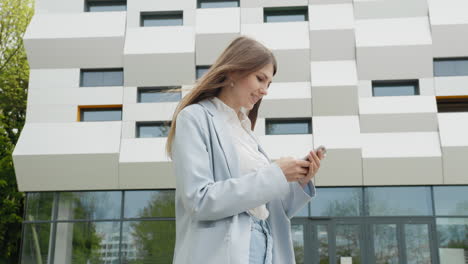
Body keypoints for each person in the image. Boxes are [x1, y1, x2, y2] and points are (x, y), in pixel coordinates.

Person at [165, 35, 325, 264]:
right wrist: (276, 173)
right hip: (224, 252)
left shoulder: (247, 133)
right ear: (234, 71)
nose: (265, 90)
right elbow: (199, 200)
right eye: (260, 79)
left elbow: (268, 206)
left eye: (269, 84)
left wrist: (298, 180)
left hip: (266, 245)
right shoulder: (195, 118)